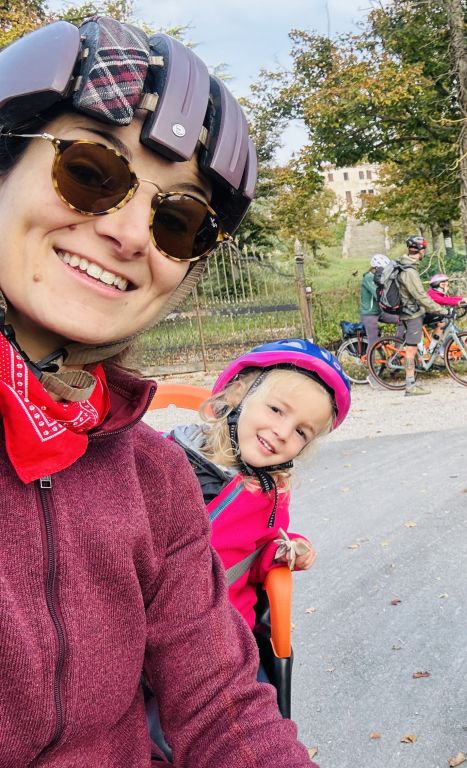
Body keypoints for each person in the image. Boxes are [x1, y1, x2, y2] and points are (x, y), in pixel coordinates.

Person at [0, 16, 315, 765]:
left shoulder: (154, 476)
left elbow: (222, 704)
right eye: (90, 172)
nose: (134, 235)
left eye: (178, 220)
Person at [167, 339, 350, 630]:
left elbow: (259, 553)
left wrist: (282, 550)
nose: (282, 432)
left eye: (301, 432)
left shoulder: (269, 496)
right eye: (277, 410)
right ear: (238, 393)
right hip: (138, 629)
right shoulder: (161, 459)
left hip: (222, 633)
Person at [396, 235, 446, 396]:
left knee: (440, 322)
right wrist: (440, 309)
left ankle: (432, 356)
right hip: (411, 314)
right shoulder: (409, 271)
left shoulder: (407, 266)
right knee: (410, 349)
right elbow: (419, 295)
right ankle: (410, 386)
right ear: (421, 250)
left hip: (414, 310)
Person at [360, 252, 398, 351]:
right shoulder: (368, 278)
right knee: (373, 342)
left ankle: (399, 350)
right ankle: (369, 363)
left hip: (380, 312)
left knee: (402, 319)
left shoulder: (380, 277)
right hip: (369, 314)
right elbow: (378, 294)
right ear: (376, 268)